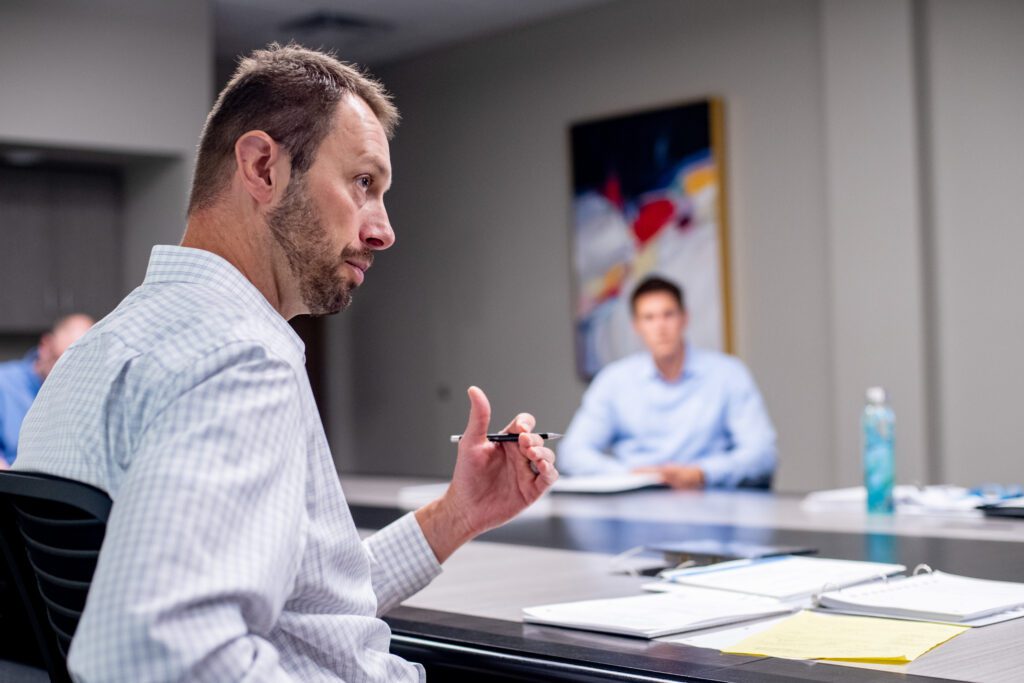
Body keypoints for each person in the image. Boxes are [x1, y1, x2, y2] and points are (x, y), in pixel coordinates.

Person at [14, 44, 557, 682]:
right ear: (263, 166)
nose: (384, 230)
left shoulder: (92, 356)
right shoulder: (240, 356)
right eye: (363, 184)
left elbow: (300, 609)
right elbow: (162, 653)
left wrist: (457, 514)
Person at [558, 276, 776, 489]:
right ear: (636, 326)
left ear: (684, 318)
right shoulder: (614, 380)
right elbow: (572, 452)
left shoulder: (728, 374)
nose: (660, 327)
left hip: (708, 498)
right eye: (649, 318)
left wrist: (703, 472)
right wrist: (628, 474)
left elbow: (762, 454)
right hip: (634, 503)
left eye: (668, 315)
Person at [0, 313, 93, 468]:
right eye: (60, 360)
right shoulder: (4, 383)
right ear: (45, 346)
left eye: (80, 366)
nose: (67, 373)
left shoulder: (85, 396)